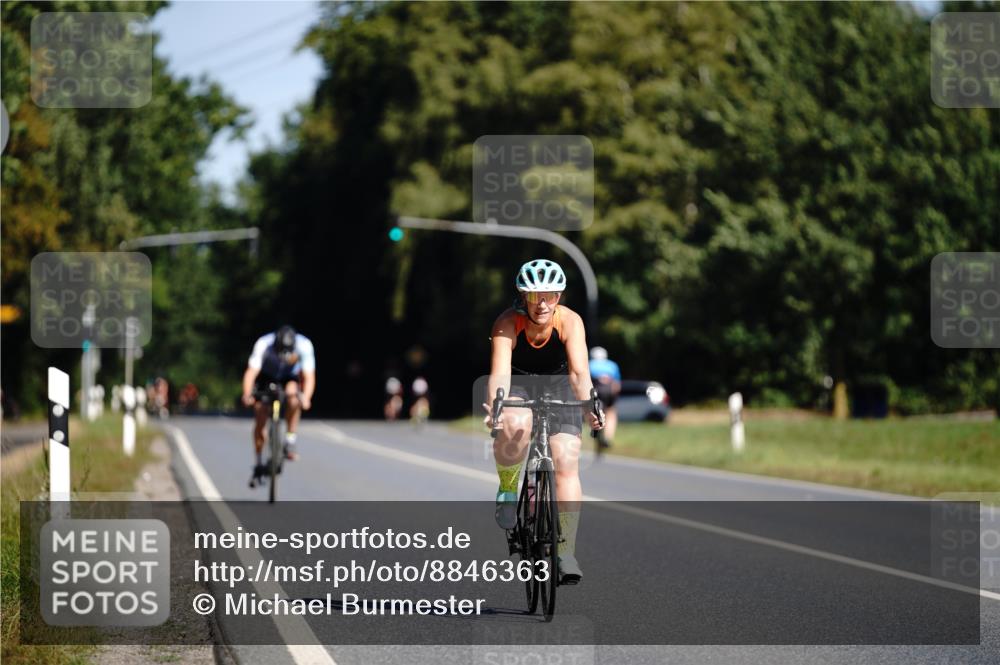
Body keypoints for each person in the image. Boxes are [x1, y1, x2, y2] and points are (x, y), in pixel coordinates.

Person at [483, 259, 603, 584]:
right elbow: (501, 374)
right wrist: (496, 405)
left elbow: (579, 373)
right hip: (520, 385)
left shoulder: (570, 322)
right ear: (524, 298)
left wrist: (590, 404)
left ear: (558, 296)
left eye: (549, 294)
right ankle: (509, 488)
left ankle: (565, 550)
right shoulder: (508, 322)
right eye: (535, 296)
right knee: (516, 423)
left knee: (566, 458)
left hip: (561, 384)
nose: (542, 303)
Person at [241, 325, 316, 487]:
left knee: (294, 398)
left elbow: (309, 376)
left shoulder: (304, 345)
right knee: (260, 414)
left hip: (289, 377)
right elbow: (251, 372)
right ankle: (259, 461)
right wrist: (247, 394)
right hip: (266, 376)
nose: (284, 357)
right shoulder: (263, 343)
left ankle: (290, 438)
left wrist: (307, 398)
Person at [588, 346, 621, 453]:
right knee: (611, 413)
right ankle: (608, 438)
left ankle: (596, 431)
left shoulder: (589, 364)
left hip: (596, 391)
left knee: (594, 413)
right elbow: (617, 385)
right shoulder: (612, 365)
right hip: (610, 392)